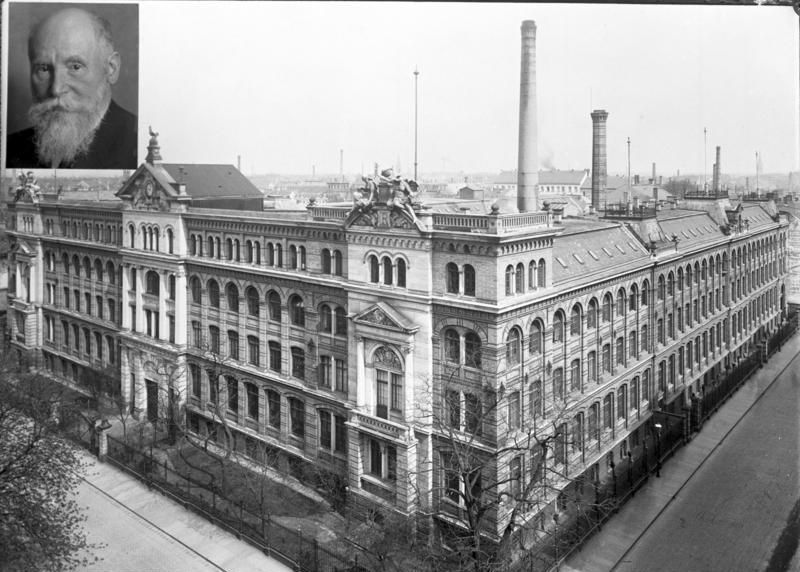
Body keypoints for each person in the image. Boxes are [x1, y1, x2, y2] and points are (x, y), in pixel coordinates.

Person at [6, 7, 137, 169]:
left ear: (111, 68)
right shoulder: (8, 150)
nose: (56, 89)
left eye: (75, 67)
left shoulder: (139, 145)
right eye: (44, 69)